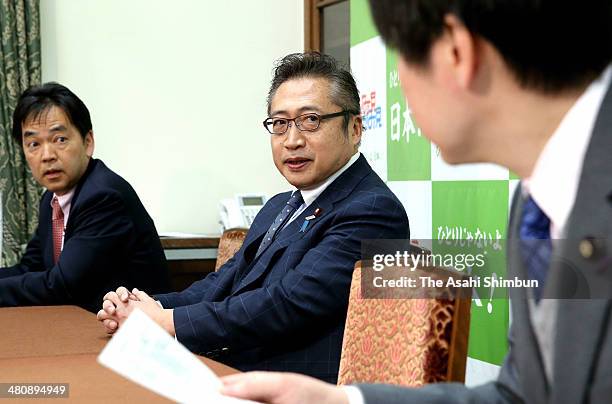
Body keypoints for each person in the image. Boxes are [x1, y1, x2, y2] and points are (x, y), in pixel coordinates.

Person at [218, 1, 612, 403]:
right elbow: (522, 395)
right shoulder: (534, 203)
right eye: (280, 123)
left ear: (458, 53)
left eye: (403, 59)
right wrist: (342, 401)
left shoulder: (371, 206)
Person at [97, 52, 410, 383]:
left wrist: (166, 321)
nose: (293, 140)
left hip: (297, 387)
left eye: (311, 120)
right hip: (238, 369)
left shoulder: (373, 209)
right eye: (280, 123)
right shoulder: (279, 205)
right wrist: (144, 306)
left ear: (355, 128)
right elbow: (225, 282)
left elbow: (289, 303)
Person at [0, 82, 170, 313]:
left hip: (133, 334)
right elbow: (30, 268)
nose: (47, 155)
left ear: (87, 142)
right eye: (33, 144)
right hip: (83, 324)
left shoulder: (103, 196)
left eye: (59, 139)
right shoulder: (51, 200)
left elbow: (63, 285)